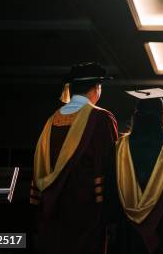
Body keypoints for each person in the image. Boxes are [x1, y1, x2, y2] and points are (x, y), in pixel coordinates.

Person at [30, 62, 118, 254]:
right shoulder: (101, 118)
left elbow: (39, 166)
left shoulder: (51, 120)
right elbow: (108, 167)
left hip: (52, 209)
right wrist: (110, 211)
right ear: (96, 88)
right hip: (86, 209)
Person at [107, 88, 163, 254]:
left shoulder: (121, 146)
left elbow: (113, 185)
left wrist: (113, 220)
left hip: (129, 225)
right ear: (162, 115)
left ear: (136, 114)